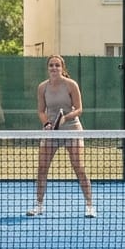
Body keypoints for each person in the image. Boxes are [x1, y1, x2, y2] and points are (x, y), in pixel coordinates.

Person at [28, 55, 96, 218]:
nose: (54, 68)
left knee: (78, 167)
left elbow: (79, 109)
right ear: (48, 68)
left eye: (57, 65)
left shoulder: (71, 85)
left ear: (62, 68)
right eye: (51, 65)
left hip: (72, 129)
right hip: (51, 132)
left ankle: (90, 206)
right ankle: (39, 205)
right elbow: (41, 111)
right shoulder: (42, 87)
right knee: (42, 168)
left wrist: (65, 118)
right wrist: (47, 124)